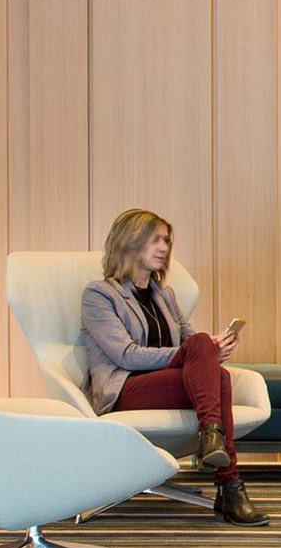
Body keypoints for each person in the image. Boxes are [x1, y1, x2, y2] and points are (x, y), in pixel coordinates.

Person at [78, 208, 269, 525]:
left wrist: (214, 351)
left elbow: (192, 344)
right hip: (125, 389)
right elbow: (126, 355)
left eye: (166, 240)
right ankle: (228, 483)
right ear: (129, 241)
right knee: (210, 363)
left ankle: (219, 456)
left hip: (168, 384)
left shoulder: (164, 295)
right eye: (155, 240)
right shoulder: (100, 295)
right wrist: (198, 351)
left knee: (217, 371)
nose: (164, 247)